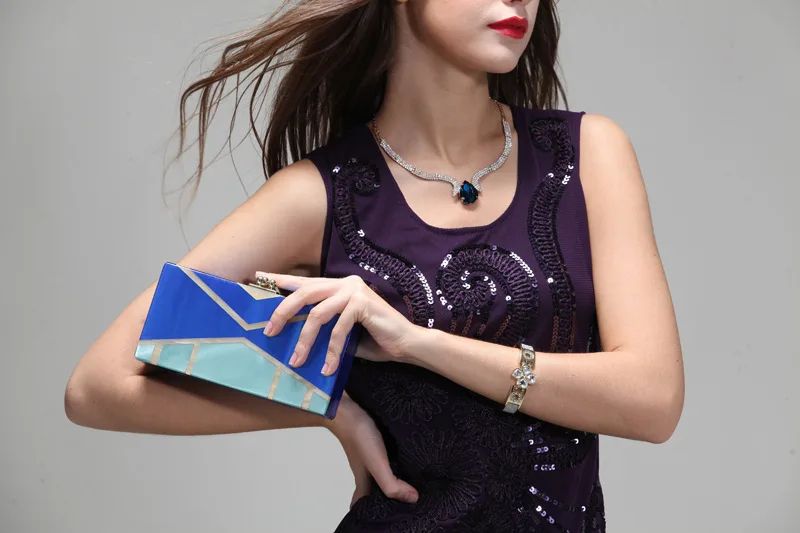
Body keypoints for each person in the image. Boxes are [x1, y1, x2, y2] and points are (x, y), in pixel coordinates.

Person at [64, 0, 685, 531]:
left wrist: (417, 343)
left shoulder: (586, 154)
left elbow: (653, 401)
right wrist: (327, 407)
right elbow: (97, 386)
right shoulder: (316, 195)